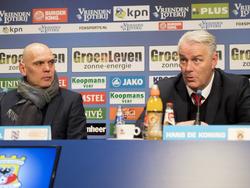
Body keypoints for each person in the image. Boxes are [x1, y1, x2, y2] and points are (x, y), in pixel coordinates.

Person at [137, 30, 250, 126]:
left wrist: (211, 133)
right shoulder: (164, 90)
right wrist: (173, 131)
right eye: (183, 60)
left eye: (196, 60)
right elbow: (140, 129)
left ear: (213, 60)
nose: (188, 68)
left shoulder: (237, 88)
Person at [0, 43, 87, 139]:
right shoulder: (4, 101)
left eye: (51, 62)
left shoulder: (71, 101)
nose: (47, 69)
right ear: (23, 69)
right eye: (39, 63)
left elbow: (77, 150)